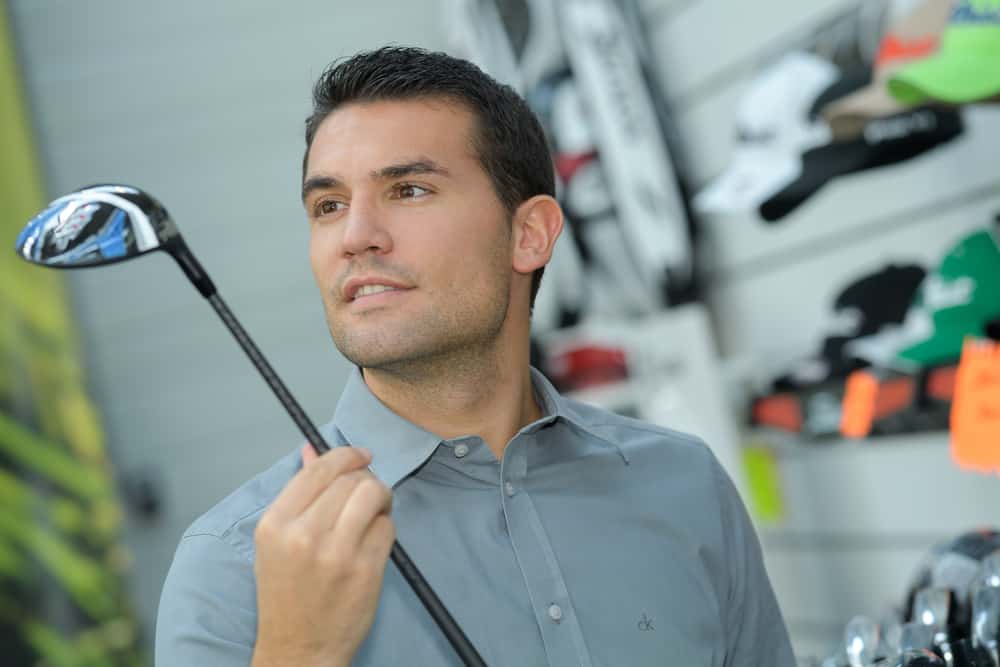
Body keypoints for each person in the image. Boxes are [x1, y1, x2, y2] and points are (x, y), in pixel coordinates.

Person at [155, 46, 796, 666]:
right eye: (328, 206)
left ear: (530, 234)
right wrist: (299, 656)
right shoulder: (232, 565)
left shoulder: (685, 484)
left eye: (407, 190)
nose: (355, 237)